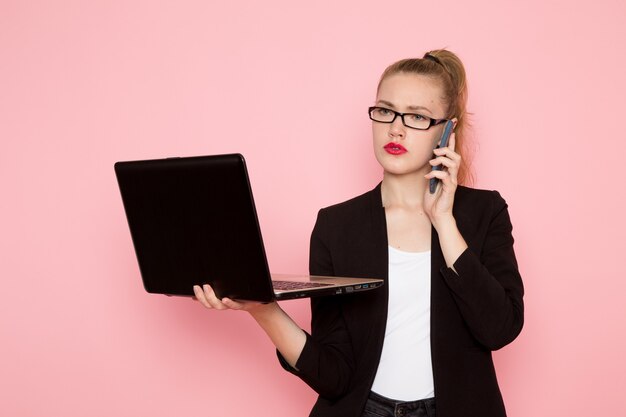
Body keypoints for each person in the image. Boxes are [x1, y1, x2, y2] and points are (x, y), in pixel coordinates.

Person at [193, 49, 524, 417]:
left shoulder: (484, 212)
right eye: (385, 111)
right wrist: (263, 310)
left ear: (447, 130)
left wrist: (444, 221)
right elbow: (334, 375)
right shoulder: (335, 226)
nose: (395, 128)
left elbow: (500, 329)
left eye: (416, 116)